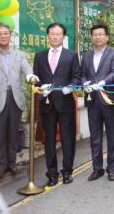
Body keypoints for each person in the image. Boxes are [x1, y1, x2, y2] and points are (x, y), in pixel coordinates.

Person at [0, 23, 38, 179]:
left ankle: (12, 164)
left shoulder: (18, 55)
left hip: (15, 98)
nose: (3, 36)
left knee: (13, 133)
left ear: (10, 35)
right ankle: (0, 167)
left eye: (6, 33)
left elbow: (27, 68)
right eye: (0, 34)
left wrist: (30, 76)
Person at [33, 23, 81, 186]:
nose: (55, 37)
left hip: (65, 103)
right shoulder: (39, 56)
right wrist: (41, 89)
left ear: (63, 37)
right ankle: (51, 174)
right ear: (48, 36)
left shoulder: (71, 55)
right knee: (50, 141)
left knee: (68, 140)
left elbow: (77, 76)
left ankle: (67, 172)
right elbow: (36, 79)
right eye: (52, 34)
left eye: (58, 34)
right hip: (47, 104)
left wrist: (71, 87)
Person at [81, 23, 114, 182]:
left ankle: (112, 169)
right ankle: (97, 168)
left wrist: (103, 82)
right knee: (95, 136)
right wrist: (85, 83)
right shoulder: (86, 55)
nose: (98, 37)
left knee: (112, 136)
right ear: (92, 37)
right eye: (95, 34)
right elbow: (83, 74)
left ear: (107, 37)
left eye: (101, 34)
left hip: (109, 99)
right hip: (92, 100)